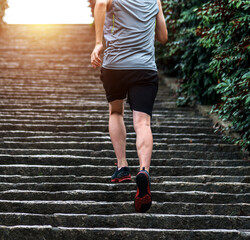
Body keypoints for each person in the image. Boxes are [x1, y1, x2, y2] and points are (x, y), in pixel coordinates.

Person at [90, 0, 168, 213]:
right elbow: (163, 37)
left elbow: (100, 4)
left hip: (115, 66)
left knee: (116, 112)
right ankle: (143, 170)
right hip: (144, 67)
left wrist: (99, 43)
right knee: (143, 123)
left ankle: (122, 166)